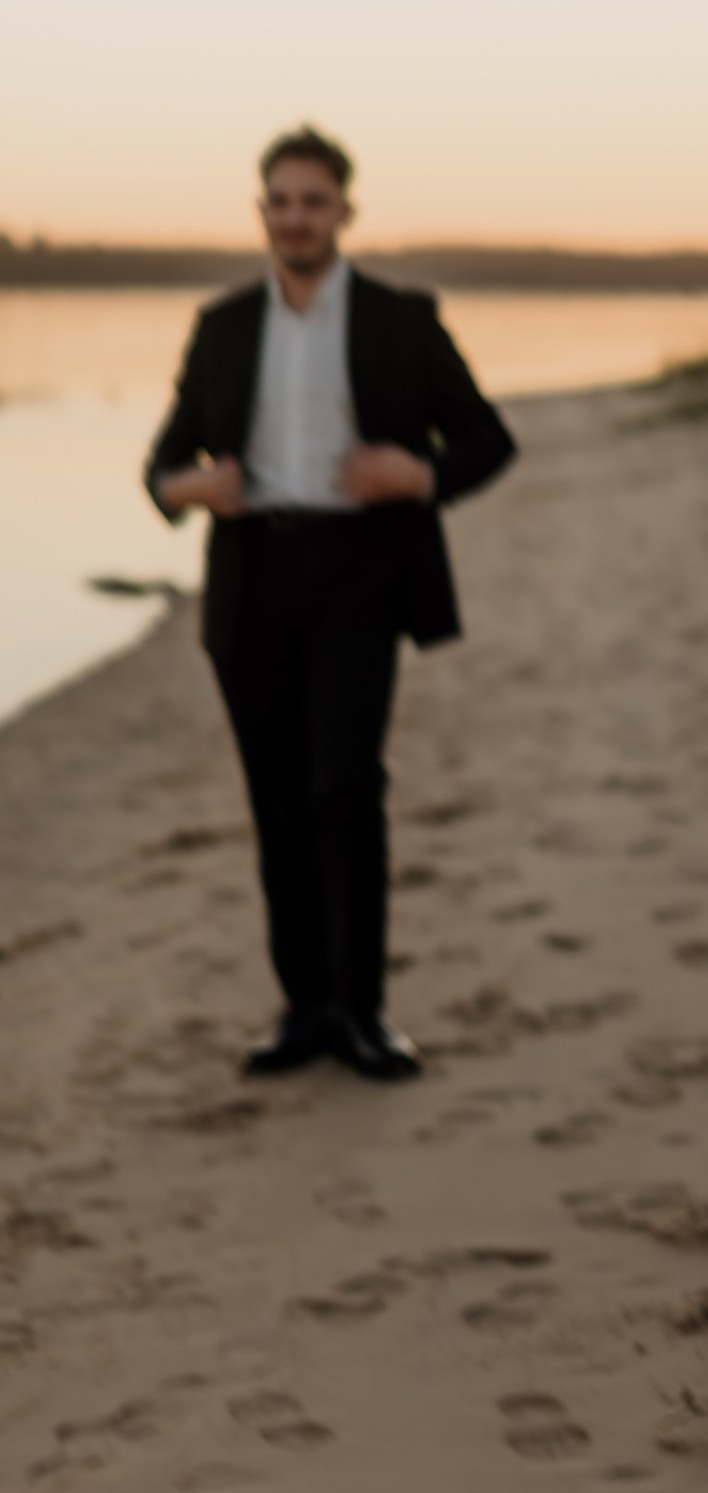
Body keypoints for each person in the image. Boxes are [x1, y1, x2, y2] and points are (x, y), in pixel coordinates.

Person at [145, 125, 515, 1081]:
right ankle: (303, 1008)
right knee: (276, 800)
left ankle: (365, 1014)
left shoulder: (401, 317)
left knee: (346, 789)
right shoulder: (223, 326)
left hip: (359, 574)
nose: (295, 217)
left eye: (313, 200)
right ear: (261, 210)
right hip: (252, 576)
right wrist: (195, 491)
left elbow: (487, 439)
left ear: (345, 211)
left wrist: (416, 473)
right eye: (280, 200)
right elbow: (162, 463)